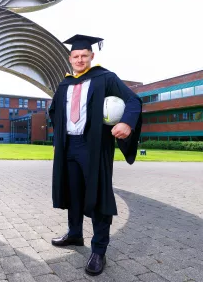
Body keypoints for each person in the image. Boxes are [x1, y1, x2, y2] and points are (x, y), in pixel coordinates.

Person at [48, 34, 142, 276]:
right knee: (73, 191)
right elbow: (54, 110)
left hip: (94, 146)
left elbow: (134, 101)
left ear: (92, 56)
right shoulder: (65, 84)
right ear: (70, 58)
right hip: (68, 145)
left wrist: (127, 124)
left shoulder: (105, 78)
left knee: (99, 196)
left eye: (84, 55)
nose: (80, 59)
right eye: (76, 56)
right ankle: (75, 234)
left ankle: (99, 250)